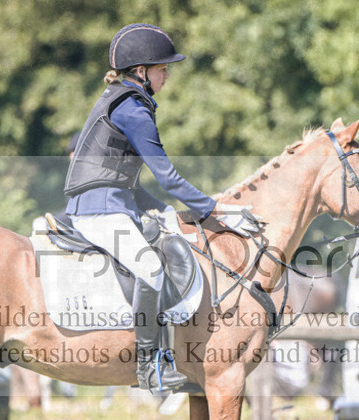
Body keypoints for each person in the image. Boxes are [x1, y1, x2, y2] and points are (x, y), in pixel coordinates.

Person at [63, 23, 251, 393]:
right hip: (99, 209)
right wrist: (217, 210)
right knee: (150, 267)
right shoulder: (133, 110)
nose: (167, 75)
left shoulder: (124, 100)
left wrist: (165, 211)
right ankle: (150, 367)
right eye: (163, 68)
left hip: (112, 201)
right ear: (140, 72)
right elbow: (168, 176)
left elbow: (126, 179)